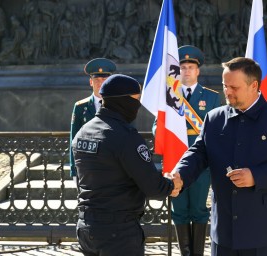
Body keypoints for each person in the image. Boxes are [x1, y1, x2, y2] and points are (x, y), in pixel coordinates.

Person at [172, 57, 267, 256]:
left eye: (234, 87)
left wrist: (256, 176)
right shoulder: (214, 118)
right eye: (225, 85)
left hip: (263, 232)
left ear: (254, 86)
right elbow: (198, 153)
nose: (227, 91)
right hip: (224, 232)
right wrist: (180, 175)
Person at [72, 74, 183, 256]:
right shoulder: (125, 136)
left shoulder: (84, 132)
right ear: (123, 101)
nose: (138, 106)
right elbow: (153, 187)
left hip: (86, 227)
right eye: (136, 100)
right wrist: (171, 185)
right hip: (118, 233)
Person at [170, 45, 220, 256]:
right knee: (179, 210)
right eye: (183, 67)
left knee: (199, 210)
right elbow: (159, 125)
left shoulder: (211, 97)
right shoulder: (169, 96)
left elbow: (217, 128)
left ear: (198, 71)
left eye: (191, 67)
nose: (187, 71)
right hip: (175, 160)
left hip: (201, 162)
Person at [70, 58, 116, 179]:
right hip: (87, 167)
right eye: (96, 79)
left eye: (104, 79)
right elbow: (74, 139)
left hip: (112, 167)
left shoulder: (118, 106)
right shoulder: (81, 107)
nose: (100, 83)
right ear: (91, 82)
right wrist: (74, 170)